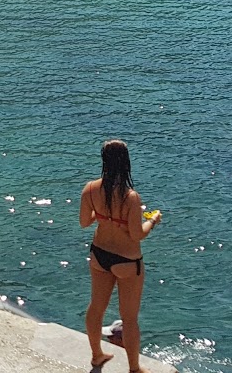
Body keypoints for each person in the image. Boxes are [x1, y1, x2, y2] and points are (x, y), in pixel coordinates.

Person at [80, 139, 160, 373]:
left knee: (96, 307)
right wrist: (152, 221)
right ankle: (134, 368)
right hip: (127, 261)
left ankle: (97, 355)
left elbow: (85, 222)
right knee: (129, 318)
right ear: (126, 163)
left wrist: (102, 215)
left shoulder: (90, 189)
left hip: (100, 255)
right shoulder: (131, 197)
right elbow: (137, 235)